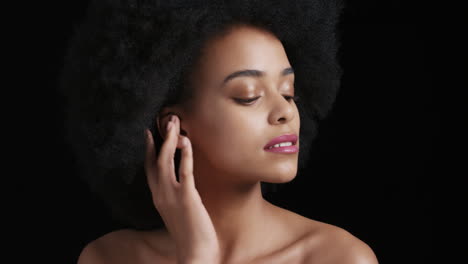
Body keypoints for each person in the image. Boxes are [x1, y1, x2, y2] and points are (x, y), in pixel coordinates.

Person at [59, 0, 379, 263]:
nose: (286, 112)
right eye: (249, 95)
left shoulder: (338, 257)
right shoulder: (109, 258)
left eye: (288, 91)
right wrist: (197, 255)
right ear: (173, 124)